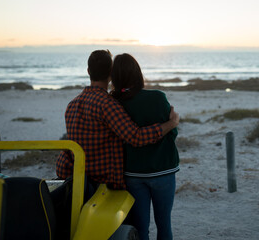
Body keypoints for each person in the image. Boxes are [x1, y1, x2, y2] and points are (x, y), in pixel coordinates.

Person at [56, 50, 179, 190]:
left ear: (88, 71)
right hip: (103, 182)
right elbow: (136, 137)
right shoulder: (107, 104)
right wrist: (172, 123)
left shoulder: (72, 104)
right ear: (110, 73)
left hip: (78, 179)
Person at [111, 53, 180, 240]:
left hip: (133, 173)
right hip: (163, 169)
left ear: (114, 77)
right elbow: (172, 133)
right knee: (164, 224)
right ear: (138, 73)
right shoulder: (157, 98)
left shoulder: (114, 104)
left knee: (141, 227)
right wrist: (172, 125)